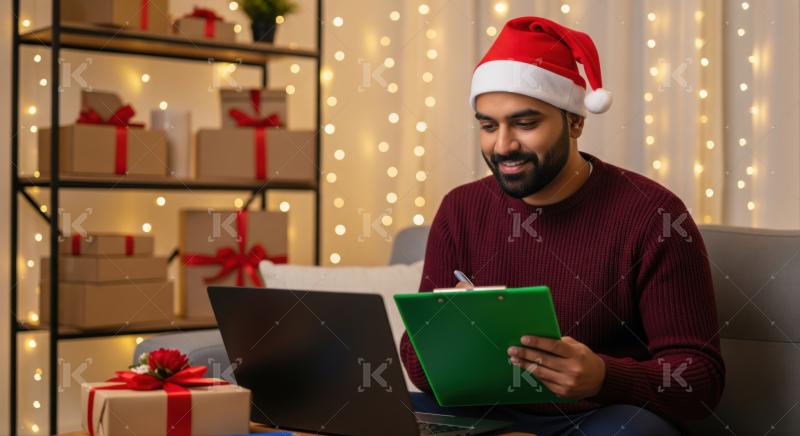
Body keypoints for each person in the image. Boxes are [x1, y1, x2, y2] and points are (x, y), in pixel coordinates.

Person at [400, 16, 725, 436]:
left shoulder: (654, 216)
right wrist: (444, 339)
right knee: (372, 411)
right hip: (486, 414)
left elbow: (701, 382)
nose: (502, 146)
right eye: (488, 126)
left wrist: (605, 376)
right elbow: (414, 359)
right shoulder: (460, 209)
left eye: (525, 123)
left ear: (575, 122)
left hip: (601, 418)